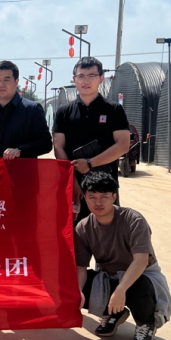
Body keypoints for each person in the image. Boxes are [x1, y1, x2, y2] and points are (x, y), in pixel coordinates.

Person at [75, 171, 171, 340]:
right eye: (92, 197)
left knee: (137, 285)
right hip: (109, 275)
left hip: (142, 275)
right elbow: (80, 267)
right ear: (84, 198)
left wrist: (120, 291)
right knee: (76, 285)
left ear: (114, 197)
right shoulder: (83, 227)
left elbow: (141, 261)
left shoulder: (133, 220)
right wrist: (78, 292)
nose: (98, 202)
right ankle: (114, 314)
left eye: (104, 197)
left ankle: (146, 324)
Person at [52, 56, 130, 219]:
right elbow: (58, 147)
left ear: (101, 78)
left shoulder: (114, 110)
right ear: (74, 79)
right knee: (73, 228)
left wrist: (90, 163)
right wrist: (71, 180)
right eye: (81, 76)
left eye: (91, 76)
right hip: (74, 184)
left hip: (105, 184)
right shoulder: (64, 112)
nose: (85, 81)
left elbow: (123, 145)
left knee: (106, 228)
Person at [0, 60, 52, 160]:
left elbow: (46, 143)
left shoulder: (32, 109)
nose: (1, 84)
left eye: (6, 80)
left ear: (16, 82)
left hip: (19, 169)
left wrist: (20, 150)